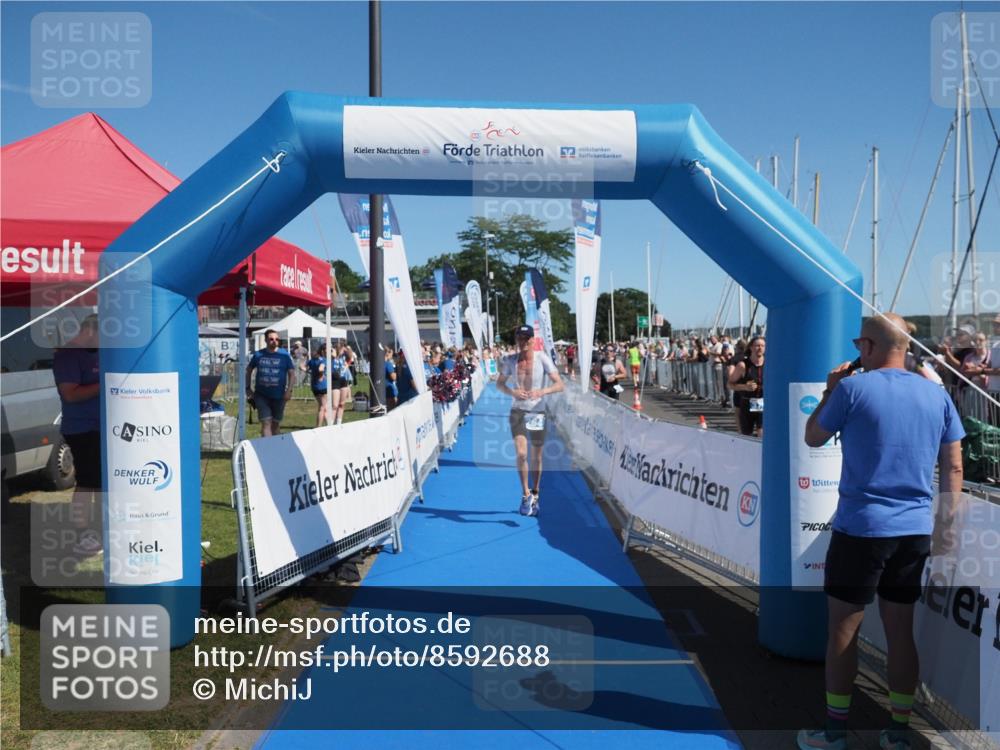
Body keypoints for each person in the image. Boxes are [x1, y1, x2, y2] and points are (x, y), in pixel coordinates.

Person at [797, 313, 965, 750]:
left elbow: (813, 436)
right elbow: (953, 467)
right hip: (913, 531)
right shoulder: (937, 395)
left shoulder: (852, 388)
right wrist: (946, 527)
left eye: (859, 346)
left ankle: (834, 732)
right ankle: (898, 732)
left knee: (842, 630)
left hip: (861, 528)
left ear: (869, 347)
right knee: (900, 631)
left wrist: (830, 389)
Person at [496, 325, 564, 517]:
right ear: (516, 340)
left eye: (526, 338)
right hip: (517, 410)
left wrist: (542, 391)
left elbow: (560, 385)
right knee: (522, 455)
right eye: (519, 338)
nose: (523, 342)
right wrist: (513, 392)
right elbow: (499, 384)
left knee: (537, 457)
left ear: (533, 340)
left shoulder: (542, 358)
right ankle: (525, 494)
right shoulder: (510, 360)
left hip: (537, 411)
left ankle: (536, 492)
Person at [53, 314, 103, 556]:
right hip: (82, 429)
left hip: (103, 428)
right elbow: (70, 394)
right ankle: (82, 536)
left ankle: (100, 533)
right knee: (88, 483)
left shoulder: (95, 353)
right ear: (91, 331)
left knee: (101, 483)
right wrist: (104, 383)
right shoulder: (68, 355)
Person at [247, 329, 295, 437]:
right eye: (271, 339)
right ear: (265, 340)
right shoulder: (259, 354)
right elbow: (248, 370)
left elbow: (292, 374)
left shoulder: (284, 355)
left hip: (279, 396)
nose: (274, 341)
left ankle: (276, 449)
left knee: (275, 424)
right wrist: (248, 388)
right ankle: (266, 450)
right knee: (266, 422)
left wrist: (289, 391)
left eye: (276, 339)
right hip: (261, 395)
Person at [729, 336, 765, 437]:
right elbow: (730, 384)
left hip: (763, 403)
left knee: (762, 433)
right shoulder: (743, 365)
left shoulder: (770, 364)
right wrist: (745, 387)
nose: (760, 348)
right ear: (751, 348)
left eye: (762, 346)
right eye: (757, 345)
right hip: (747, 403)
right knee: (746, 435)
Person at [328, 341, 353, 425]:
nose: (343, 350)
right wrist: (333, 355)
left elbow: (350, 357)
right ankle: (330, 424)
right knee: (335, 405)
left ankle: (339, 423)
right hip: (334, 380)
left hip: (343, 380)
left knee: (342, 404)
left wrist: (347, 349)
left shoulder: (344, 357)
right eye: (342, 349)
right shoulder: (332, 357)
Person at [307, 344, 328, 427]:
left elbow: (302, 367)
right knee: (322, 407)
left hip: (314, 386)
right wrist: (321, 374)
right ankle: (318, 427)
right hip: (322, 386)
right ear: (322, 351)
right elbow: (321, 368)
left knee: (324, 407)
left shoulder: (312, 360)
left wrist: (311, 372)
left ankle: (329, 425)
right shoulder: (323, 360)